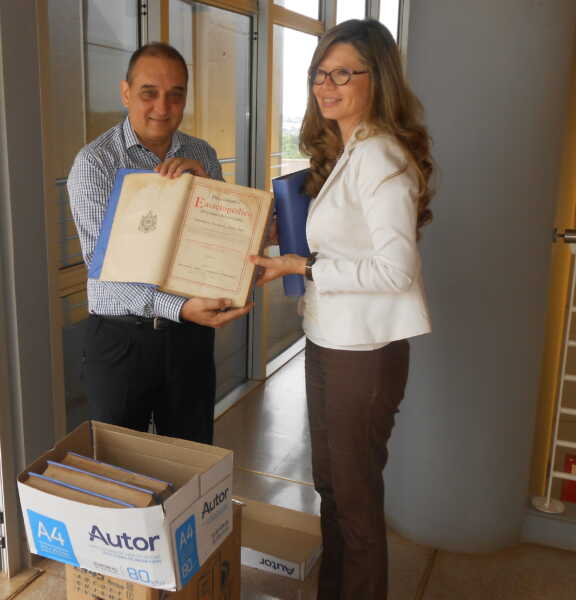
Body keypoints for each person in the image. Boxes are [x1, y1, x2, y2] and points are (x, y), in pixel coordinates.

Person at [249, 19, 433, 600]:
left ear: (377, 79)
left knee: (354, 501)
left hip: (364, 353)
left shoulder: (380, 155)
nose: (325, 86)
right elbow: (347, 242)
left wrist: (303, 267)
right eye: (319, 74)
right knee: (331, 488)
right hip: (329, 339)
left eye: (342, 74)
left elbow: (395, 271)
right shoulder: (349, 151)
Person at [67, 43, 251, 444]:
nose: (163, 107)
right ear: (126, 93)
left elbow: (224, 240)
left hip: (189, 339)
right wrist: (179, 307)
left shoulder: (201, 154)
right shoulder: (95, 163)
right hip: (121, 340)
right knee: (119, 463)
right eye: (149, 93)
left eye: (176, 94)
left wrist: (207, 186)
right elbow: (106, 269)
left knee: (191, 457)